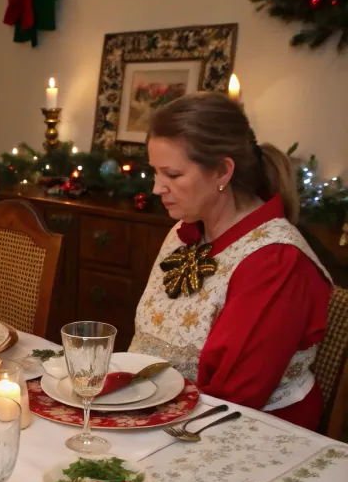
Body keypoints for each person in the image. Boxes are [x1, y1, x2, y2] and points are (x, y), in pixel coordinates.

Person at [130, 92, 332, 431]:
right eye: (155, 172)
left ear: (223, 171)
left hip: (243, 431)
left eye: (173, 175)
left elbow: (235, 395)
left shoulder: (275, 260)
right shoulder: (184, 231)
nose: (156, 187)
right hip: (164, 412)